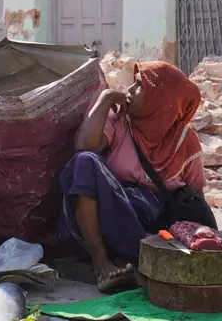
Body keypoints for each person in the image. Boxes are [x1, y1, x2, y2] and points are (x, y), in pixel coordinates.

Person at [58, 61, 207, 293]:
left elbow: (196, 196)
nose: (129, 90)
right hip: (97, 225)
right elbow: (83, 145)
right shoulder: (120, 121)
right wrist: (106, 98)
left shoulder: (185, 140)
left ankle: (133, 263)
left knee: (149, 205)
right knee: (85, 161)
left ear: (162, 99)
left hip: (150, 232)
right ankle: (103, 264)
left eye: (139, 86)